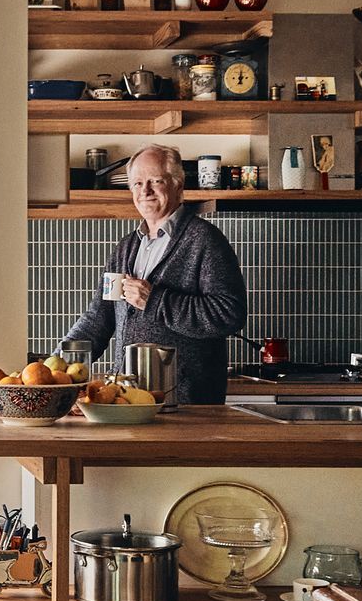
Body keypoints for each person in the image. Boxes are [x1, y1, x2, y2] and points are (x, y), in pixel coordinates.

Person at [61, 144, 247, 405]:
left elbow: (229, 314)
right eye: (137, 183)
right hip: (128, 401)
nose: (144, 191)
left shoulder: (205, 240)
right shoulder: (126, 248)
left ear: (178, 184)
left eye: (155, 181)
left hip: (185, 404)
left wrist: (156, 300)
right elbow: (98, 319)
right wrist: (56, 366)